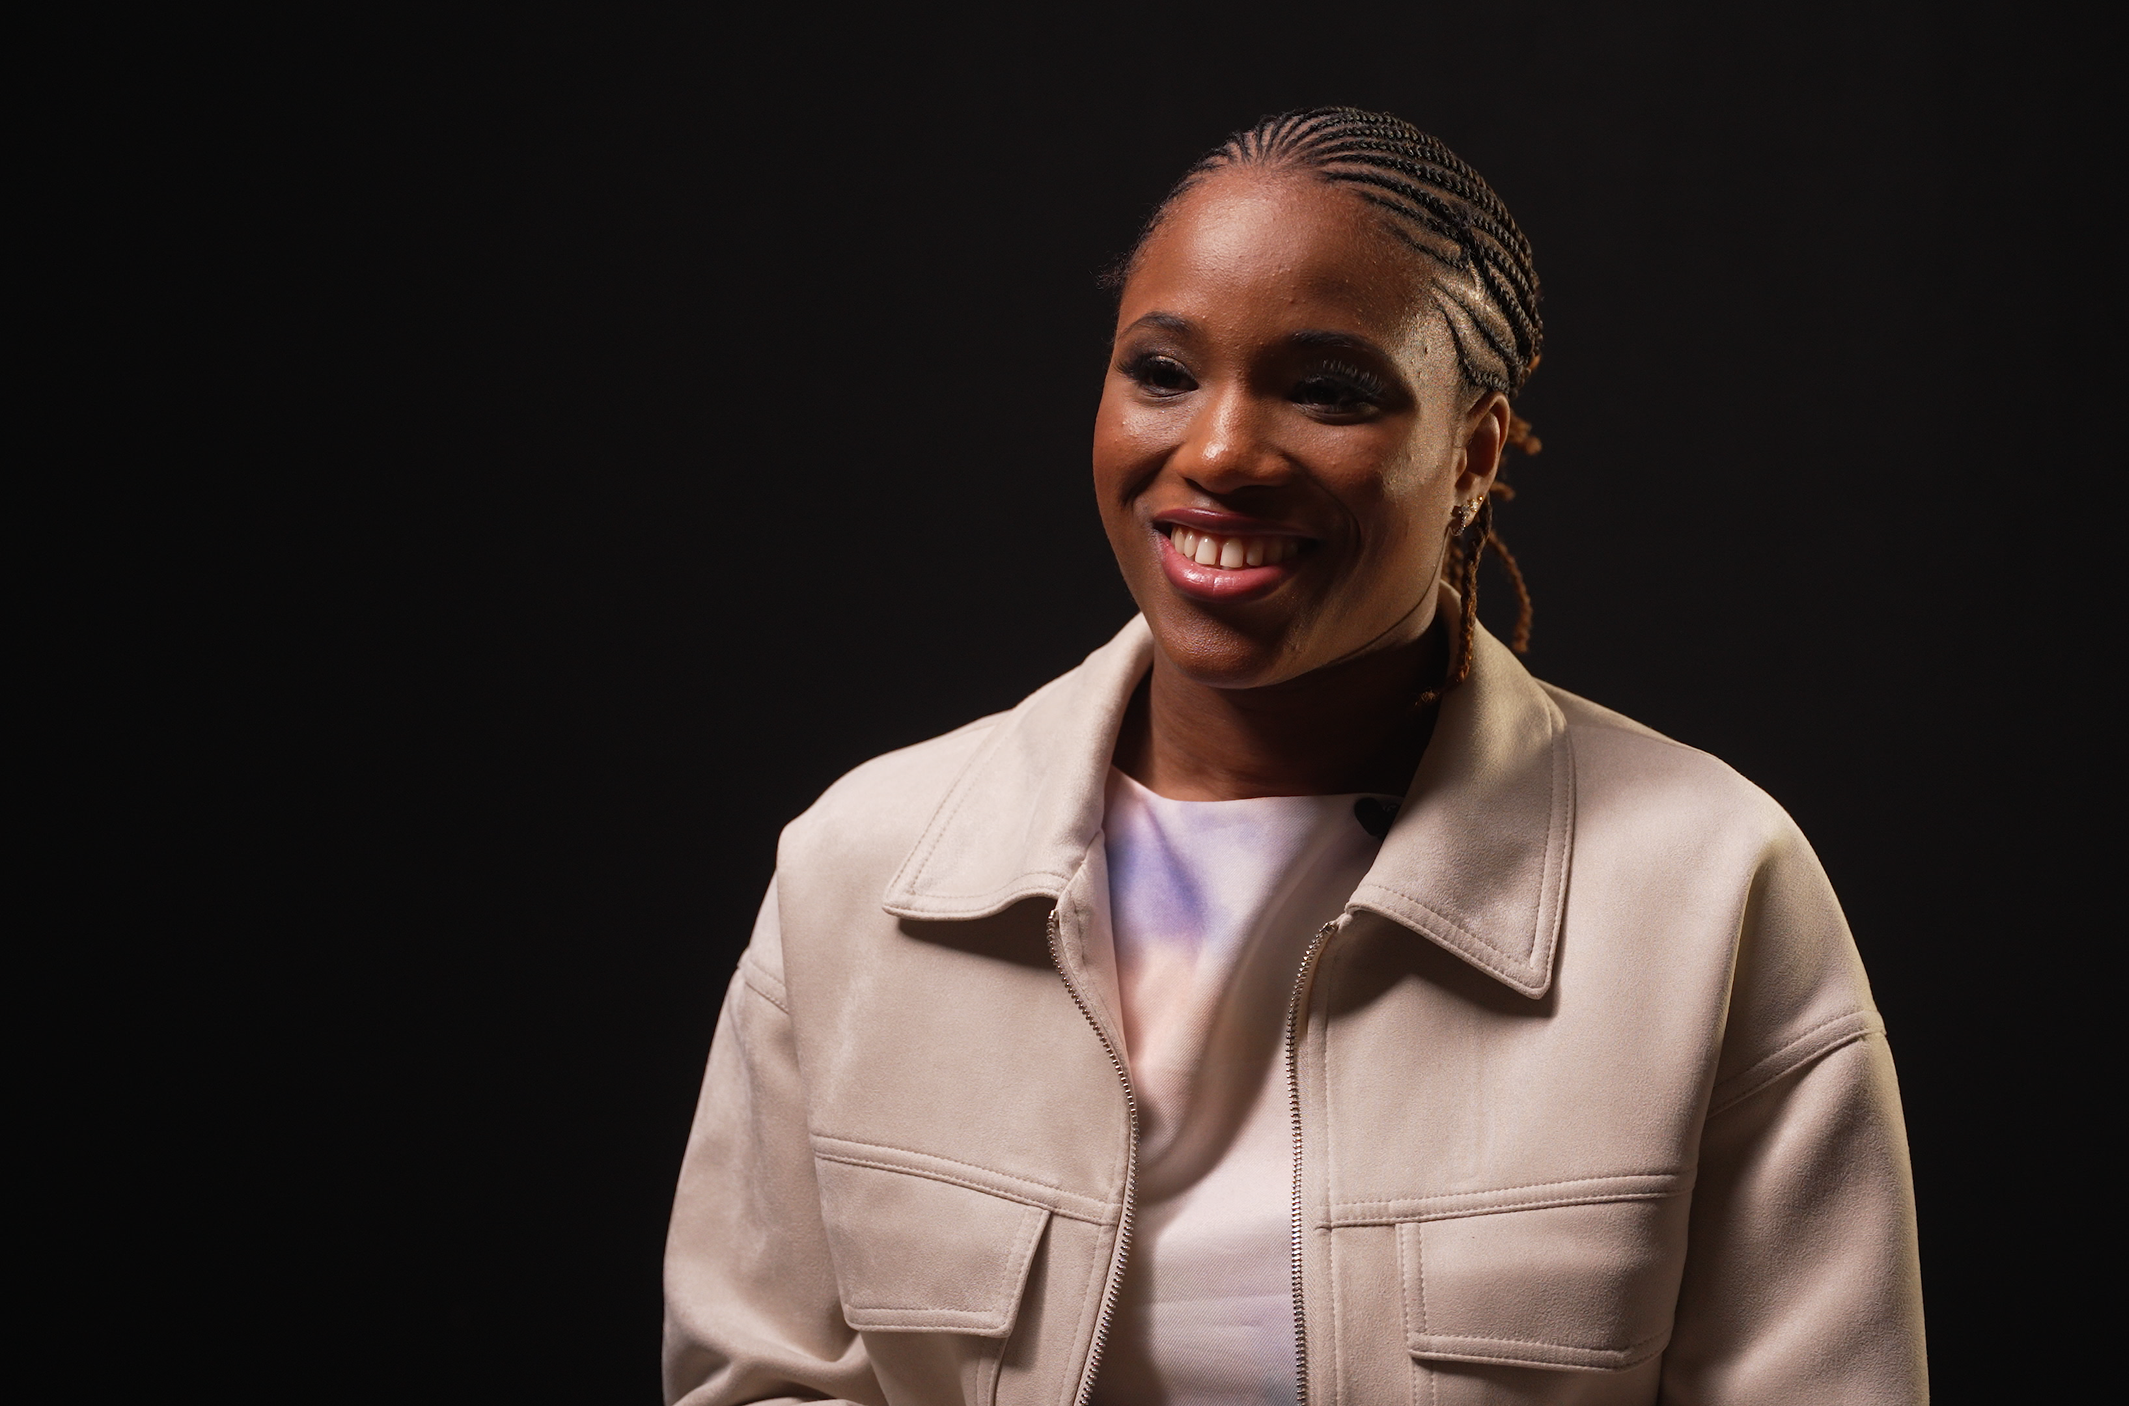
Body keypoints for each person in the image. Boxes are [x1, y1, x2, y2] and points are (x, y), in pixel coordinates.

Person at [662, 107, 1926, 1406]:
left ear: (1474, 454)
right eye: (1162, 372)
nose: (1217, 452)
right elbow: (759, 1381)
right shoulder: (861, 871)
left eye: (1327, 390)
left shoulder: (1710, 889)